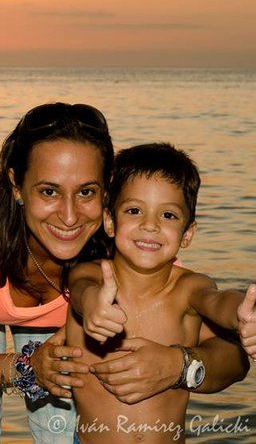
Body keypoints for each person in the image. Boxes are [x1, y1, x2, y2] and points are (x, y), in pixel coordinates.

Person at [0, 104, 250, 443]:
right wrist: (27, 368)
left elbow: (229, 346)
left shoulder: (133, 243)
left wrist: (180, 365)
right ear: (16, 184)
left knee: (60, 428)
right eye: (49, 191)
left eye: (86, 191)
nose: (69, 217)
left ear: (107, 193)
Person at [67, 143, 256, 443]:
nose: (150, 225)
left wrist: (244, 315)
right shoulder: (91, 274)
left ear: (188, 233)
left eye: (168, 215)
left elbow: (217, 300)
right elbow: (82, 288)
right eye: (134, 210)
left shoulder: (188, 287)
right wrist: (93, 305)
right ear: (110, 221)